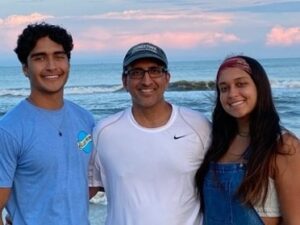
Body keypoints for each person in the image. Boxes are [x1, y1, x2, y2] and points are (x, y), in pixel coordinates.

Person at [88, 42, 211, 225]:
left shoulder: (199, 126)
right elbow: (85, 190)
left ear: (167, 78)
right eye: (136, 72)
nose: (146, 80)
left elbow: (221, 188)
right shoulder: (104, 132)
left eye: (154, 70)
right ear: (124, 81)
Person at [0, 22, 94, 225]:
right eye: (39, 58)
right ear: (25, 68)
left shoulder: (86, 120)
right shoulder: (9, 130)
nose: (51, 66)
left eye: (59, 56)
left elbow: (84, 182)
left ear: (68, 63)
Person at [195, 55, 300, 224]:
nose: (232, 93)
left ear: (259, 87)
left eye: (241, 84)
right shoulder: (215, 143)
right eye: (224, 88)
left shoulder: (283, 146)